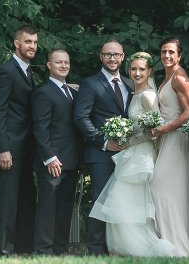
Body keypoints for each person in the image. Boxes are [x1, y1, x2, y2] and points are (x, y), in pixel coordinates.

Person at [90, 52, 177, 257]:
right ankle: (124, 247)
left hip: (141, 155)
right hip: (131, 153)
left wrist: (126, 140)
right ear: (128, 70)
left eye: (142, 69)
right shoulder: (134, 92)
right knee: (123, 200)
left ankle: (141, 247)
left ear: (149, 72)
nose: (137, 73)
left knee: (130, 199)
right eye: (134, 69)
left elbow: (155, 129)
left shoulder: (148, 95)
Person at [73, 39, 133, 255]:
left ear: (123, 57)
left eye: (116, 54)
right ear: (101, 56)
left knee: (124, 199)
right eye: (108, 54)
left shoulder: (130, 83)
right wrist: (104, 142)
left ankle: (117, 245)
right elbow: (81, 118)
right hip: (100, 154)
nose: (112, 58)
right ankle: (97, 249)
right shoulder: (90, 83)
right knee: (101, 199)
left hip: (128, 153)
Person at [0, 25, 39, 255]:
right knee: (7, 201)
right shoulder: (6, 72)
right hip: (10, 148)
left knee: (27, 197)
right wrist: (3, 148)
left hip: (26, 149)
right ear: (16, 44)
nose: (32, 46)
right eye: (28, 42)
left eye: (35, 43)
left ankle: (23, 246)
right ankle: (4, 250)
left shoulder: (28, 72)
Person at [31, 49, 82, 255]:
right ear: (49, 66)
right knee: (48, 207)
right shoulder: (43, 92)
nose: (63, 65)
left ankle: (60, 248)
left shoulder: (73, 92)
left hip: (71, 160)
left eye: (66, 62)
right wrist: (49, 157)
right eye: (58, 62)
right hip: (52, 161)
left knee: (64, 207)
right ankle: (43, 249)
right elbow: (40, 128)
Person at [149, 38, 189, 256]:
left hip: (177, 139)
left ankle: (177, 245)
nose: (166, 56)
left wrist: (164, 129)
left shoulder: (179, 78)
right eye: (163, 51)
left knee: (159, 187)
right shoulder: (167, 77)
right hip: (166, 138)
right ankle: (168, 242)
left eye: (171, 52)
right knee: (170, 191)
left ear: (179, 55)